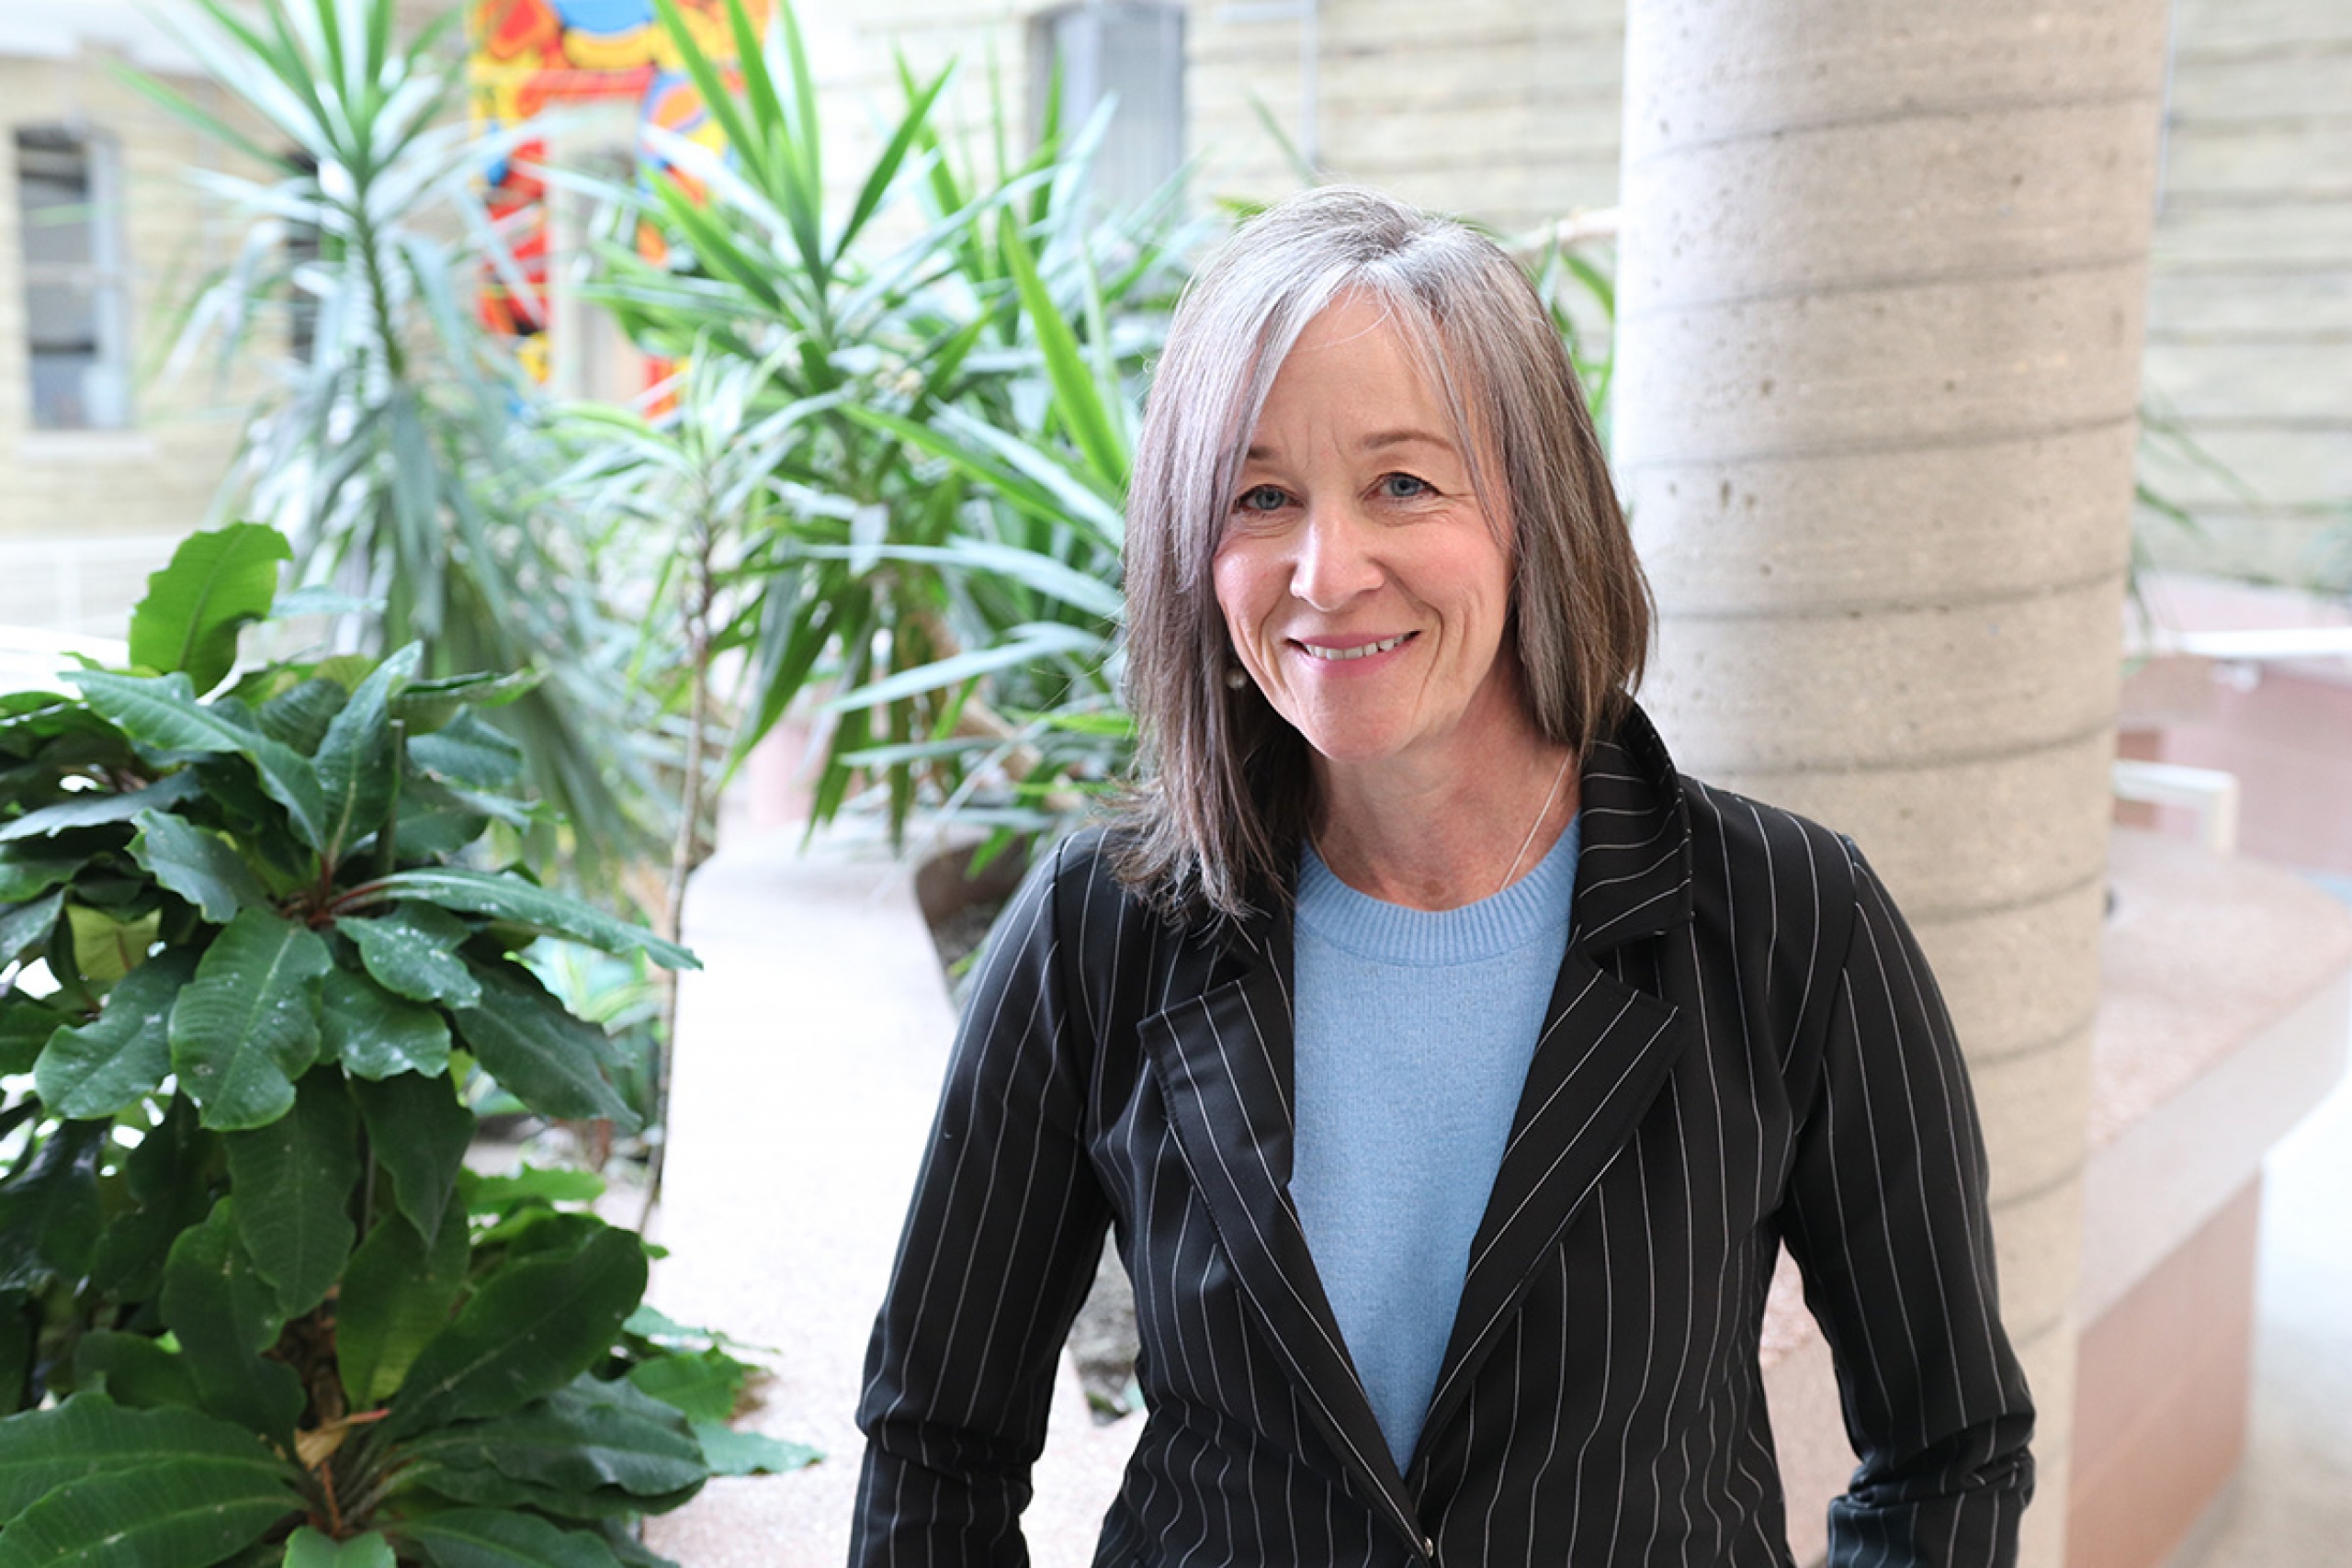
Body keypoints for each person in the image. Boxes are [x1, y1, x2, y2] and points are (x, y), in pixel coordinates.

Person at [850, 185, 2034, 1567]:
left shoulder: (1790, 921)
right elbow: (938, 1444)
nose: (1326, 569)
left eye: (1404, 483)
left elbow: (1949, 1453)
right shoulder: (1098, 934)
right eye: (1260, 496)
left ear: (1538, 514)